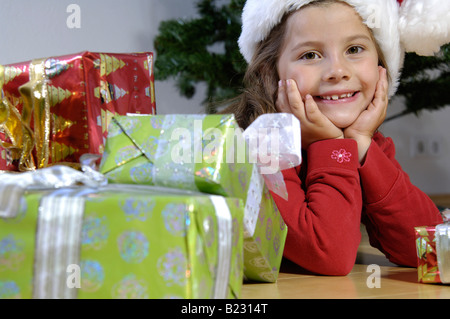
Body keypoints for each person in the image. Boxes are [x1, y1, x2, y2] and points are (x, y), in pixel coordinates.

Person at [223, 0, 449, 275]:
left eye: (354, 49)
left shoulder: (361, 138)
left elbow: (429, 247)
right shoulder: (262, 144)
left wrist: (363, 146)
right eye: (310, 55)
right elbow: (328, 254)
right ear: (270, 73)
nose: (337, 71)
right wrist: (330, 147)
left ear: (382, 66)